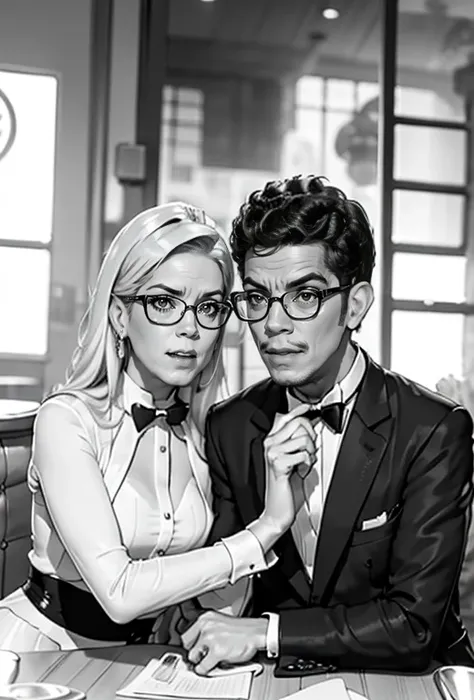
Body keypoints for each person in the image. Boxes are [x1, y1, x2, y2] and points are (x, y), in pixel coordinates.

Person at [182, 176, 474, 675]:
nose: (274, 324)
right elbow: (225, 600)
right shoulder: (230, 427)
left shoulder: (433, 430)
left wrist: (267, 633)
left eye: (304, 296)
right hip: (280, 680)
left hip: (412, 680)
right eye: (256, 298)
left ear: (355, 305)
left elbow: (414, 625)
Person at [0, 201, 291, 652]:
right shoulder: (67, 420)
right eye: (163, 303)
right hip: (40, 653)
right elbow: (119, 594)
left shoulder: (206, 428)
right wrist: (263, 532)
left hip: (150, 659)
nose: (190, 328)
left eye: (209, 308)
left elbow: (216, 592)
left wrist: (199, 606)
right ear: (119, 315)